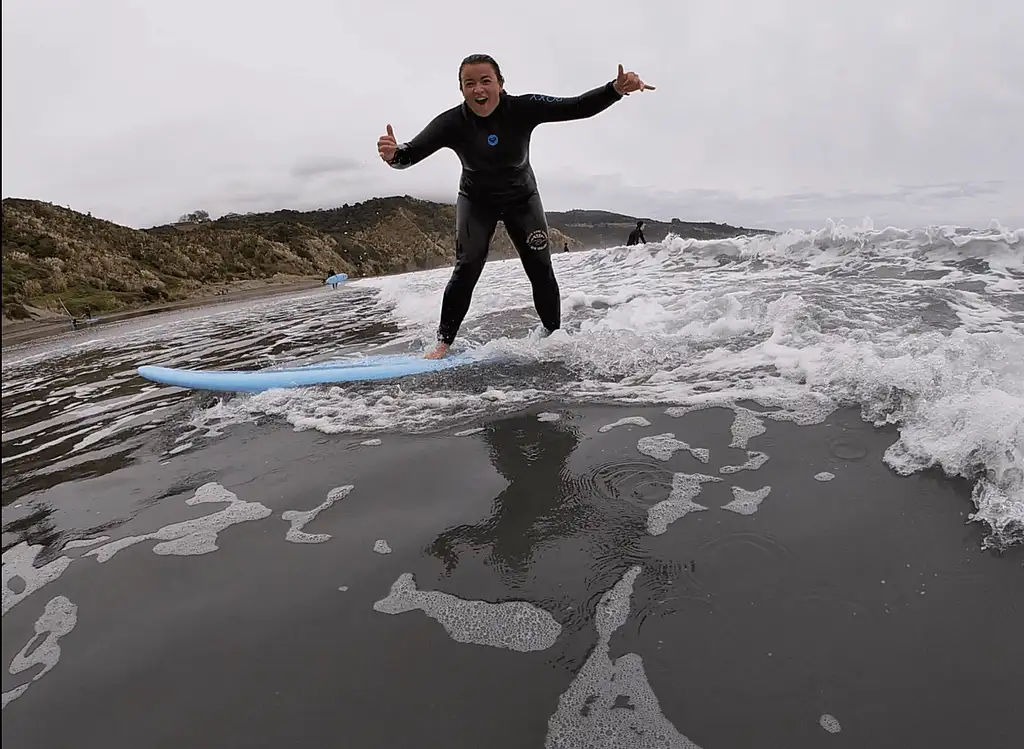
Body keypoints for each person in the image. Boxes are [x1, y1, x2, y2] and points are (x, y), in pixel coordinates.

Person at [377, 54, 654, 359]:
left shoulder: (524, 108)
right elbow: (411, 154)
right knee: (467, 266)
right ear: (461, 89)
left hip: (522, 200)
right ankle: (443, 342)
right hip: (476, 202)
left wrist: (615, 90)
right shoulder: (451, 123)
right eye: (469, 83)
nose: (478, 89)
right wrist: (394, 155)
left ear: (500, 84)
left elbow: (575, 106)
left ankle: (553, 335)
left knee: (540, 268)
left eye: (486, 80)